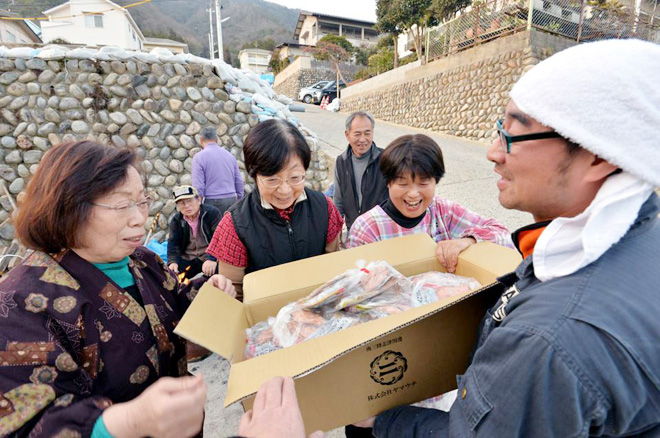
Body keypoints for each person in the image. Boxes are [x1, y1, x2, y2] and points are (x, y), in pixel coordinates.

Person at [238, 39, 660, 437]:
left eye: (513, 132)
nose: (493, 151)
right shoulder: (628, 245)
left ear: (599, 157)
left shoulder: (549, 341)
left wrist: (381, 419)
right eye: (499, 128)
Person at [0, 141, 237, 437]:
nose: (140, 218)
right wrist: (130, 421)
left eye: (142, 201)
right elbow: (23, 427)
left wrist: (209, 292)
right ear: (70, 208)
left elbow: (178, 305)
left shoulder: (143, 261)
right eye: (122, 204)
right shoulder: (20, 303)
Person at [206, 119, 344, 301]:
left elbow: (335, 271)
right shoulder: (234, 224)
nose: (285, 190)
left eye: (295, 177)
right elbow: (234, 296)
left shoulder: (324, 209)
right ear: (254, 174)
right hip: (266, 322)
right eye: (272, 180)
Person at [347, 134, 512, 273]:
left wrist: (468, 240)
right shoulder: (367, 229)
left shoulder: (443, 212)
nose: (413, 194)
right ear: (388, 182)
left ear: (436, 181)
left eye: (423, 183)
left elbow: (504, 236)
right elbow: (354, 290)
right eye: (403, 184)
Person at [333, 111, 389, 230]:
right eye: (357, 134)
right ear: (347, 135)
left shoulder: (386, 159)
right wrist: (335, 232)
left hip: (381, 230)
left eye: (367, 133)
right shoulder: (341, 162)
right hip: (354, 230)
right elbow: (338, 201)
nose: (362, 139)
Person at [167, 185, 222, 280]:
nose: (186, 206)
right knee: (171, 278)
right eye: (181, 203)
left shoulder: (212, 213)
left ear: (199, 200)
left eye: (189, 200)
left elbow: (219, 238)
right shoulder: (177, 220)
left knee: (215, 276)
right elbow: (173, 244)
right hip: (188, 257)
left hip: (208, 255)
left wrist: (211, 258)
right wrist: (173, 262)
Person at [192, 126, 244, 215]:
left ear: (201, 140)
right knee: (229, 228)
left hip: (212, 202)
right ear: (216, 139)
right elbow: (239, 181)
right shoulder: (230, 156)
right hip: (231, 199)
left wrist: (197, 204)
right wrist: (239, 198)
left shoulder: (199, 157)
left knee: (213, 229)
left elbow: (198, 186)